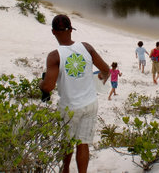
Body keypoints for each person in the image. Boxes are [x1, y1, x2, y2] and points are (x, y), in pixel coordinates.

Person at [39, 14, 110, 173]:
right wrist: (100, 79)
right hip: (90, 104)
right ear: (71, 30)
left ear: (53, 32)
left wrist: (41, 84)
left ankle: (65, 170)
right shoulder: (86, 47)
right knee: (82, 143)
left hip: (70, 107)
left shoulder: (54, 56)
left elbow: (49, 86)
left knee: (67, 142)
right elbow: (106, 70)